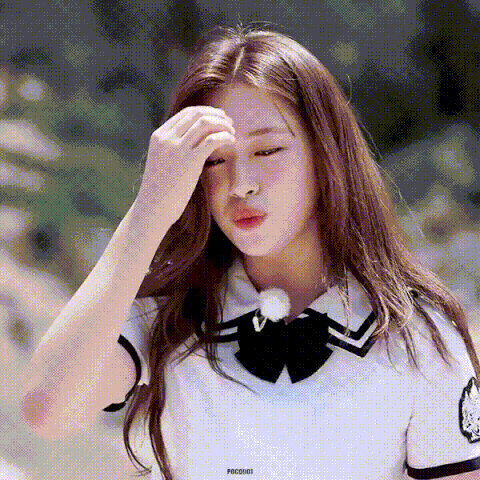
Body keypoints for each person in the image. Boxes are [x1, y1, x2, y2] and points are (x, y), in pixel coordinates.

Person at [21, 24, 480, 480]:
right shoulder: (172, 311)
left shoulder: (417, 333)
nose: (240, 184)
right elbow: (47, 409)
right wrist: (148, 211)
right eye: (215, 160)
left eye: (267, 151)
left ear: (326, 155)